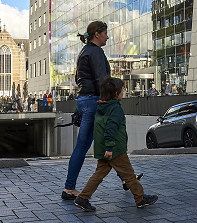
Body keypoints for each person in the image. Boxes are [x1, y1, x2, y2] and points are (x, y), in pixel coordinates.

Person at [74, 77, 158, 212]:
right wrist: (110, 147)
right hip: (115, 150)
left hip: (104, 149)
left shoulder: (101, 106)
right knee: (129, 175)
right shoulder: (115, 109)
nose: (123, 93)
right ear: (115, 94)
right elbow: (111, 128)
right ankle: (141, 198)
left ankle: (82, 198)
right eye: (121, 90)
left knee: (98, 175)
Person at [62, 21, 112, 200]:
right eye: (105, 33)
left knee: (85, 146)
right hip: (94, 101)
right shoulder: (96, 51)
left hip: (83, 100)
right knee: (111, 140)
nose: (107, 36)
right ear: (97, 34)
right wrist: (109, 101)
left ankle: (126, 179)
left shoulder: (84, 52)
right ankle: (127, 179)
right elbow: (102, 80)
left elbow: (78, 79)